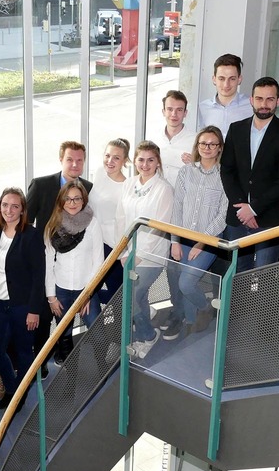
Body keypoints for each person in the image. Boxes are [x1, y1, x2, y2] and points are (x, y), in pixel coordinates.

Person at [220, 76, 279, 271]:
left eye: (270, 99)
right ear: (251, 99)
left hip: (269, 217)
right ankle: (238, 304)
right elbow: (227, 170)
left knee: (264, 274)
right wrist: (243, 207)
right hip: (237, 216)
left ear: (278, 101)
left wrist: (254, 209)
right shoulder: (236, 129)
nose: (264, 104)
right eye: (259, 99)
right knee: (237, 273)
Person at [26, 141, 94, 373]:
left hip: (77, 266)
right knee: (47, 315)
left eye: (79, 160)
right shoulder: (42, 184)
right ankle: (43, 361)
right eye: (69, 159)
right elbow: (26, 222)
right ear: (61, 160)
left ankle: (65, 348)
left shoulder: (88, 187)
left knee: (69, 315)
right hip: (47, 259)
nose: (75, 164)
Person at [0, 189, 46, 409]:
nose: (9, 210)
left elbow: (39, 274)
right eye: (5, 205)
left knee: (24, 351)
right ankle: (12, 387)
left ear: (22, 209)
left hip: (22, 305)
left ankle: (19, 397)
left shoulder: (31, 235)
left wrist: (34, 309)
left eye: (15, 206)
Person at [166, 126, 227, 339]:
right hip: (182, 237)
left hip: (208, 242)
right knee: (178, 281)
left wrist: (201, 243)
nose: (207, 148)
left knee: (186, 282)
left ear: (219, 148)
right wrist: (174, 240)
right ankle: (191, 322)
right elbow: (178, 206)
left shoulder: (224, 175)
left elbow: (223, 214)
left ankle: (206, 307)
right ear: (197, 146)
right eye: (203, 143)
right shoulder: (187, 171)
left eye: (212, 144)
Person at [116, 141, 174, 359]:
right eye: (141, 159)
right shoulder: (128, 184)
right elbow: (120, 218)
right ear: (134, 161)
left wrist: (137, 255)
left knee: (131, 297)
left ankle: (147, 335)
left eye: (151, 160)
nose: (145, 164)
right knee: (137, 297)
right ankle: (145, 326)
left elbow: (159, 227)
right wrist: (122, 251)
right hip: (128, 253)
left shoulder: (164, 189)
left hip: (151, 256)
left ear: (158, 162)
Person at [45, 180, 105, 361]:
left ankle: (102, 366)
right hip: (60, 289)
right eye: (68, 199)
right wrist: (51, 297)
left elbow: (98, 260)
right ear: (61, 201)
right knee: (64, 333)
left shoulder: (92, 224)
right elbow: (48, 263)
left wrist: (88, 293)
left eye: (77, 199)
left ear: (83, 200)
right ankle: (68, 365)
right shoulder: (52, 225)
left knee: (98, 332)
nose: (72, 203)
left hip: (85, 289)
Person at [89, 138, 131, 303]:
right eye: (107, 155)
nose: (110, 161)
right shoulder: (100, 172)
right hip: (94, 241)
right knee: (92, 289)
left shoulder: (126, 187)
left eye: (116, 158)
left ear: (125, 161)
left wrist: (124, 252)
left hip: (112, 247)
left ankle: (133, 323)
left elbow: (126, 221)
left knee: (117, 293)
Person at [197, 53, 254, 136]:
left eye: (232, 79)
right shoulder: (203, 107)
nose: (226, 85)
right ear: (214, 79)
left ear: (239, 79)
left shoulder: (251, 106)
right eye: (221, 79)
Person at [155, 90, 196, 185]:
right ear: (163, 112)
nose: (174, 114)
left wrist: (195, 165)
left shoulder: (196, 141)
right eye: (170, 109)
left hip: (184, 197)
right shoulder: (154, 139)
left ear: (185, 113)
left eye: (179, 110)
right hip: (157, 196)